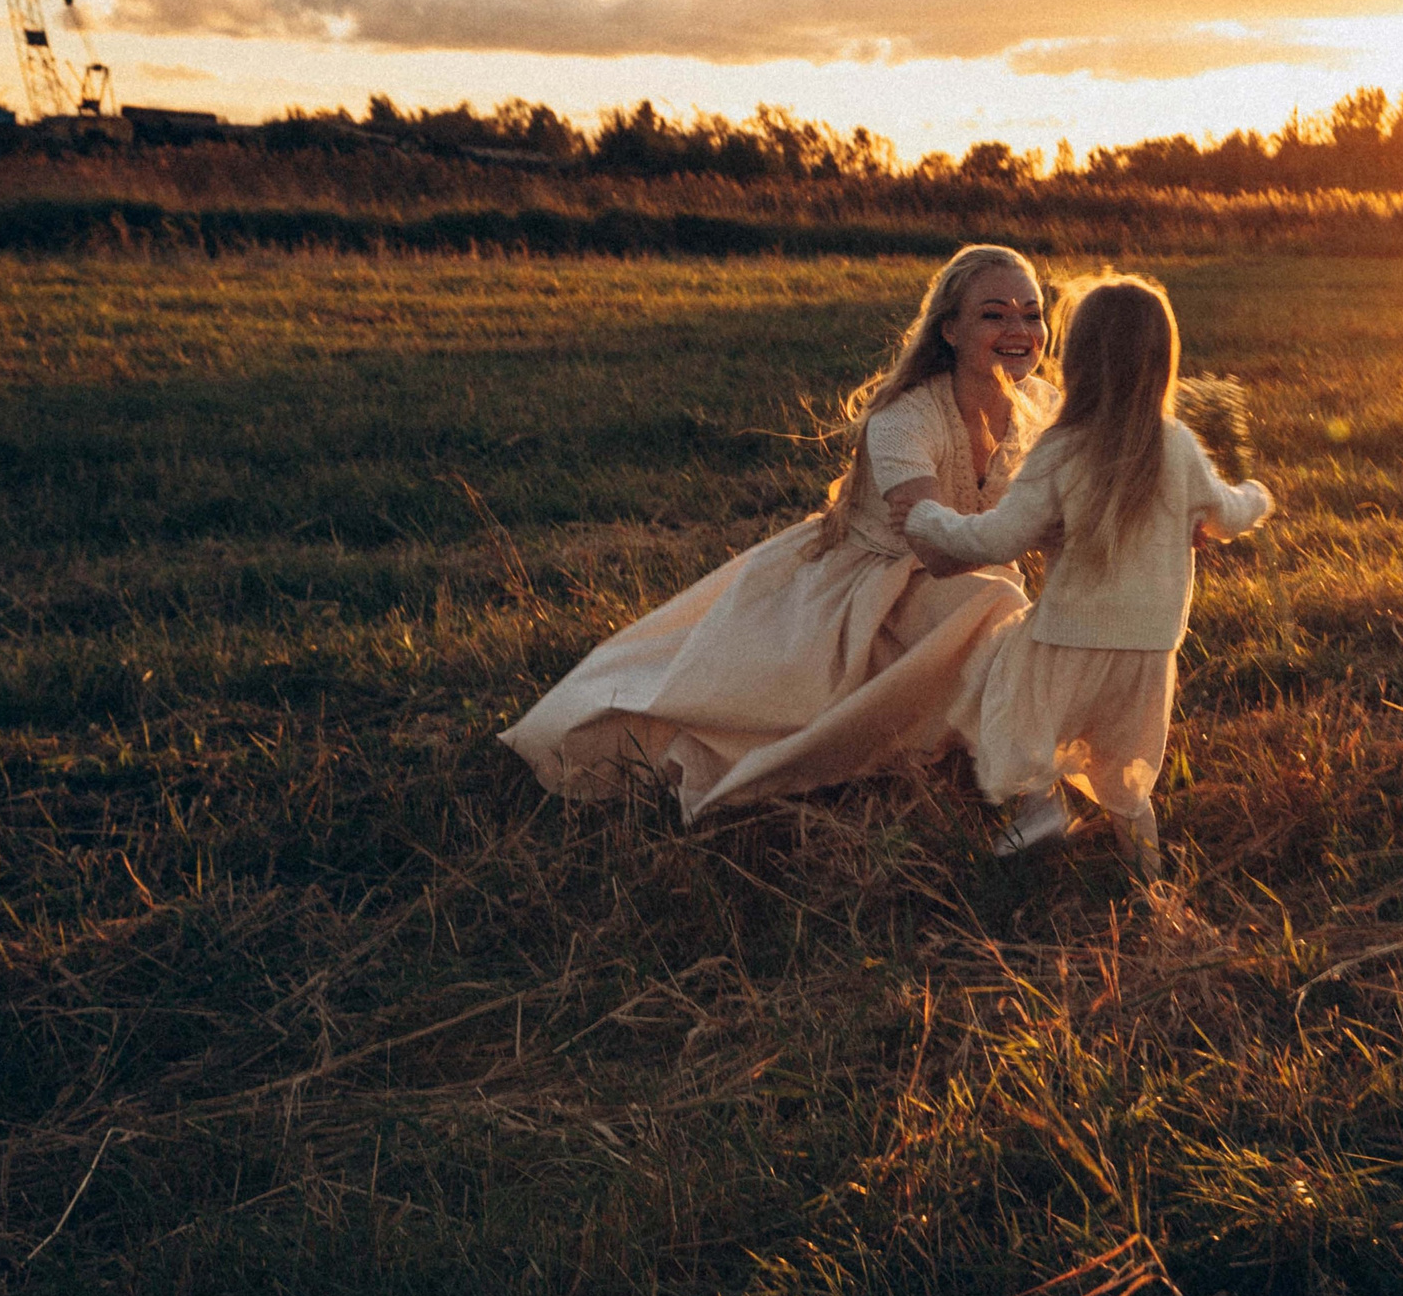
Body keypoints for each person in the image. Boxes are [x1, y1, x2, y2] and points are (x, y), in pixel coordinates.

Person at [500, 244, 1060, 817]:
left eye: (1032, 313)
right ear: (950, 330)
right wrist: (1023, 536)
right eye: (994, 314)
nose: (1019, 329)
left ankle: (1027, 786)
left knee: (1002, 608)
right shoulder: (905, 418)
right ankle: (1032, 796)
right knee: (993, 602)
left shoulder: (1046, 406)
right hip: (864, 591)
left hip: (963, 582)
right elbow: (933, 545)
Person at [901, 275, 1273, 867]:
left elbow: (1000, 536)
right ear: (1163, 362)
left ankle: (1039, 807)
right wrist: (1256, 495)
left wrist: (926, 520)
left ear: (1076, 359)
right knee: (1128, 780)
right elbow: (1227, 515)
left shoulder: (1062, 448)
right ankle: (1152, 888)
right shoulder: (1176, 445)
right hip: (1151, 649)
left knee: (1000, 693)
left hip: (1068, 637)